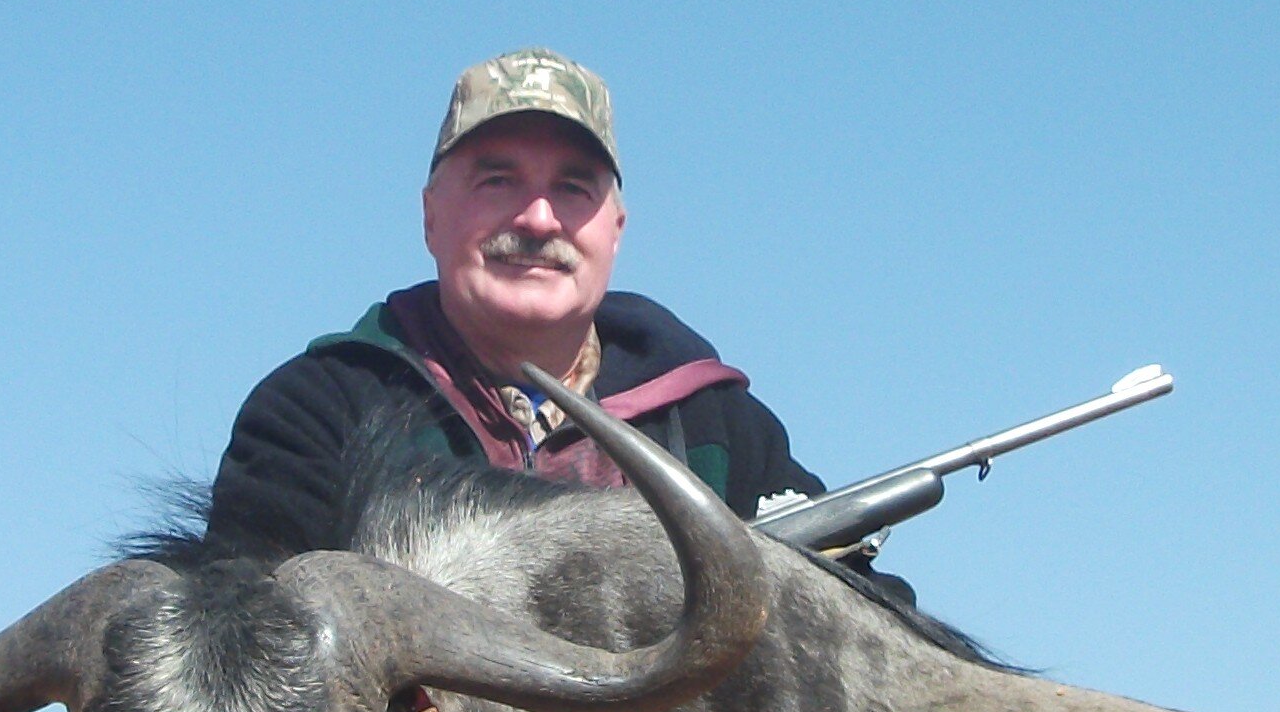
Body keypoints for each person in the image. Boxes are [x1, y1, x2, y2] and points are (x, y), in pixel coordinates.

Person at [208, 48, 866, 566]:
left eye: (573, 188)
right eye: (498, 180)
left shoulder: (718, 427)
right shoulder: (314, 413)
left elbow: (865, 613)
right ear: (431, 217)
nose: (538, 218)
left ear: (615, 230)